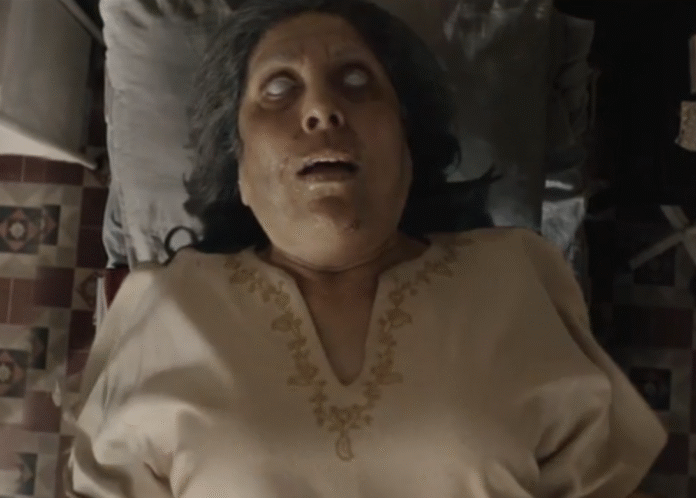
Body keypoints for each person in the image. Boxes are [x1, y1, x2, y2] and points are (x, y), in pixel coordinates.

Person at [66, 0, 667, 497]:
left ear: (408, 145)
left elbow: (599, 475)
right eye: (279, 88)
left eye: (357, 82)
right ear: (239, 169)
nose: (322, 109)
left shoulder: (514, 274)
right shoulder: (164, 306)